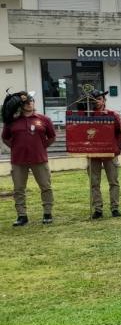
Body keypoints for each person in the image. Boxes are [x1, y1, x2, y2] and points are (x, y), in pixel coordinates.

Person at [2, 92, 56, 226]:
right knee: (19, 189)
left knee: (46, 186)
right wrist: (15, 147)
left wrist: (41, 147)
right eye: (26, 102)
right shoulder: (12, 121)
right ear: (20, 105)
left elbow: (52, 137)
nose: (29, 103)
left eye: (31, 101)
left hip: (39, 159)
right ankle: (22, 216)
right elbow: (5, 138)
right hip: (18, 160)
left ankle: (47, 213)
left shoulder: (44, 119)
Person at [86, 90, 121, 219]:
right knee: (94, 183)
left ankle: (115, 208)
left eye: (99, 99)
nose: (97, 101)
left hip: (109, 152)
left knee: (113, 181)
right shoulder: (87, 115)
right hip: (93, 153)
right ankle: (98, 209)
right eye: (94, 99)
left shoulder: (113, 115)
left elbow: (119, 132)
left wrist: (116, 148)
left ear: (104, 100)